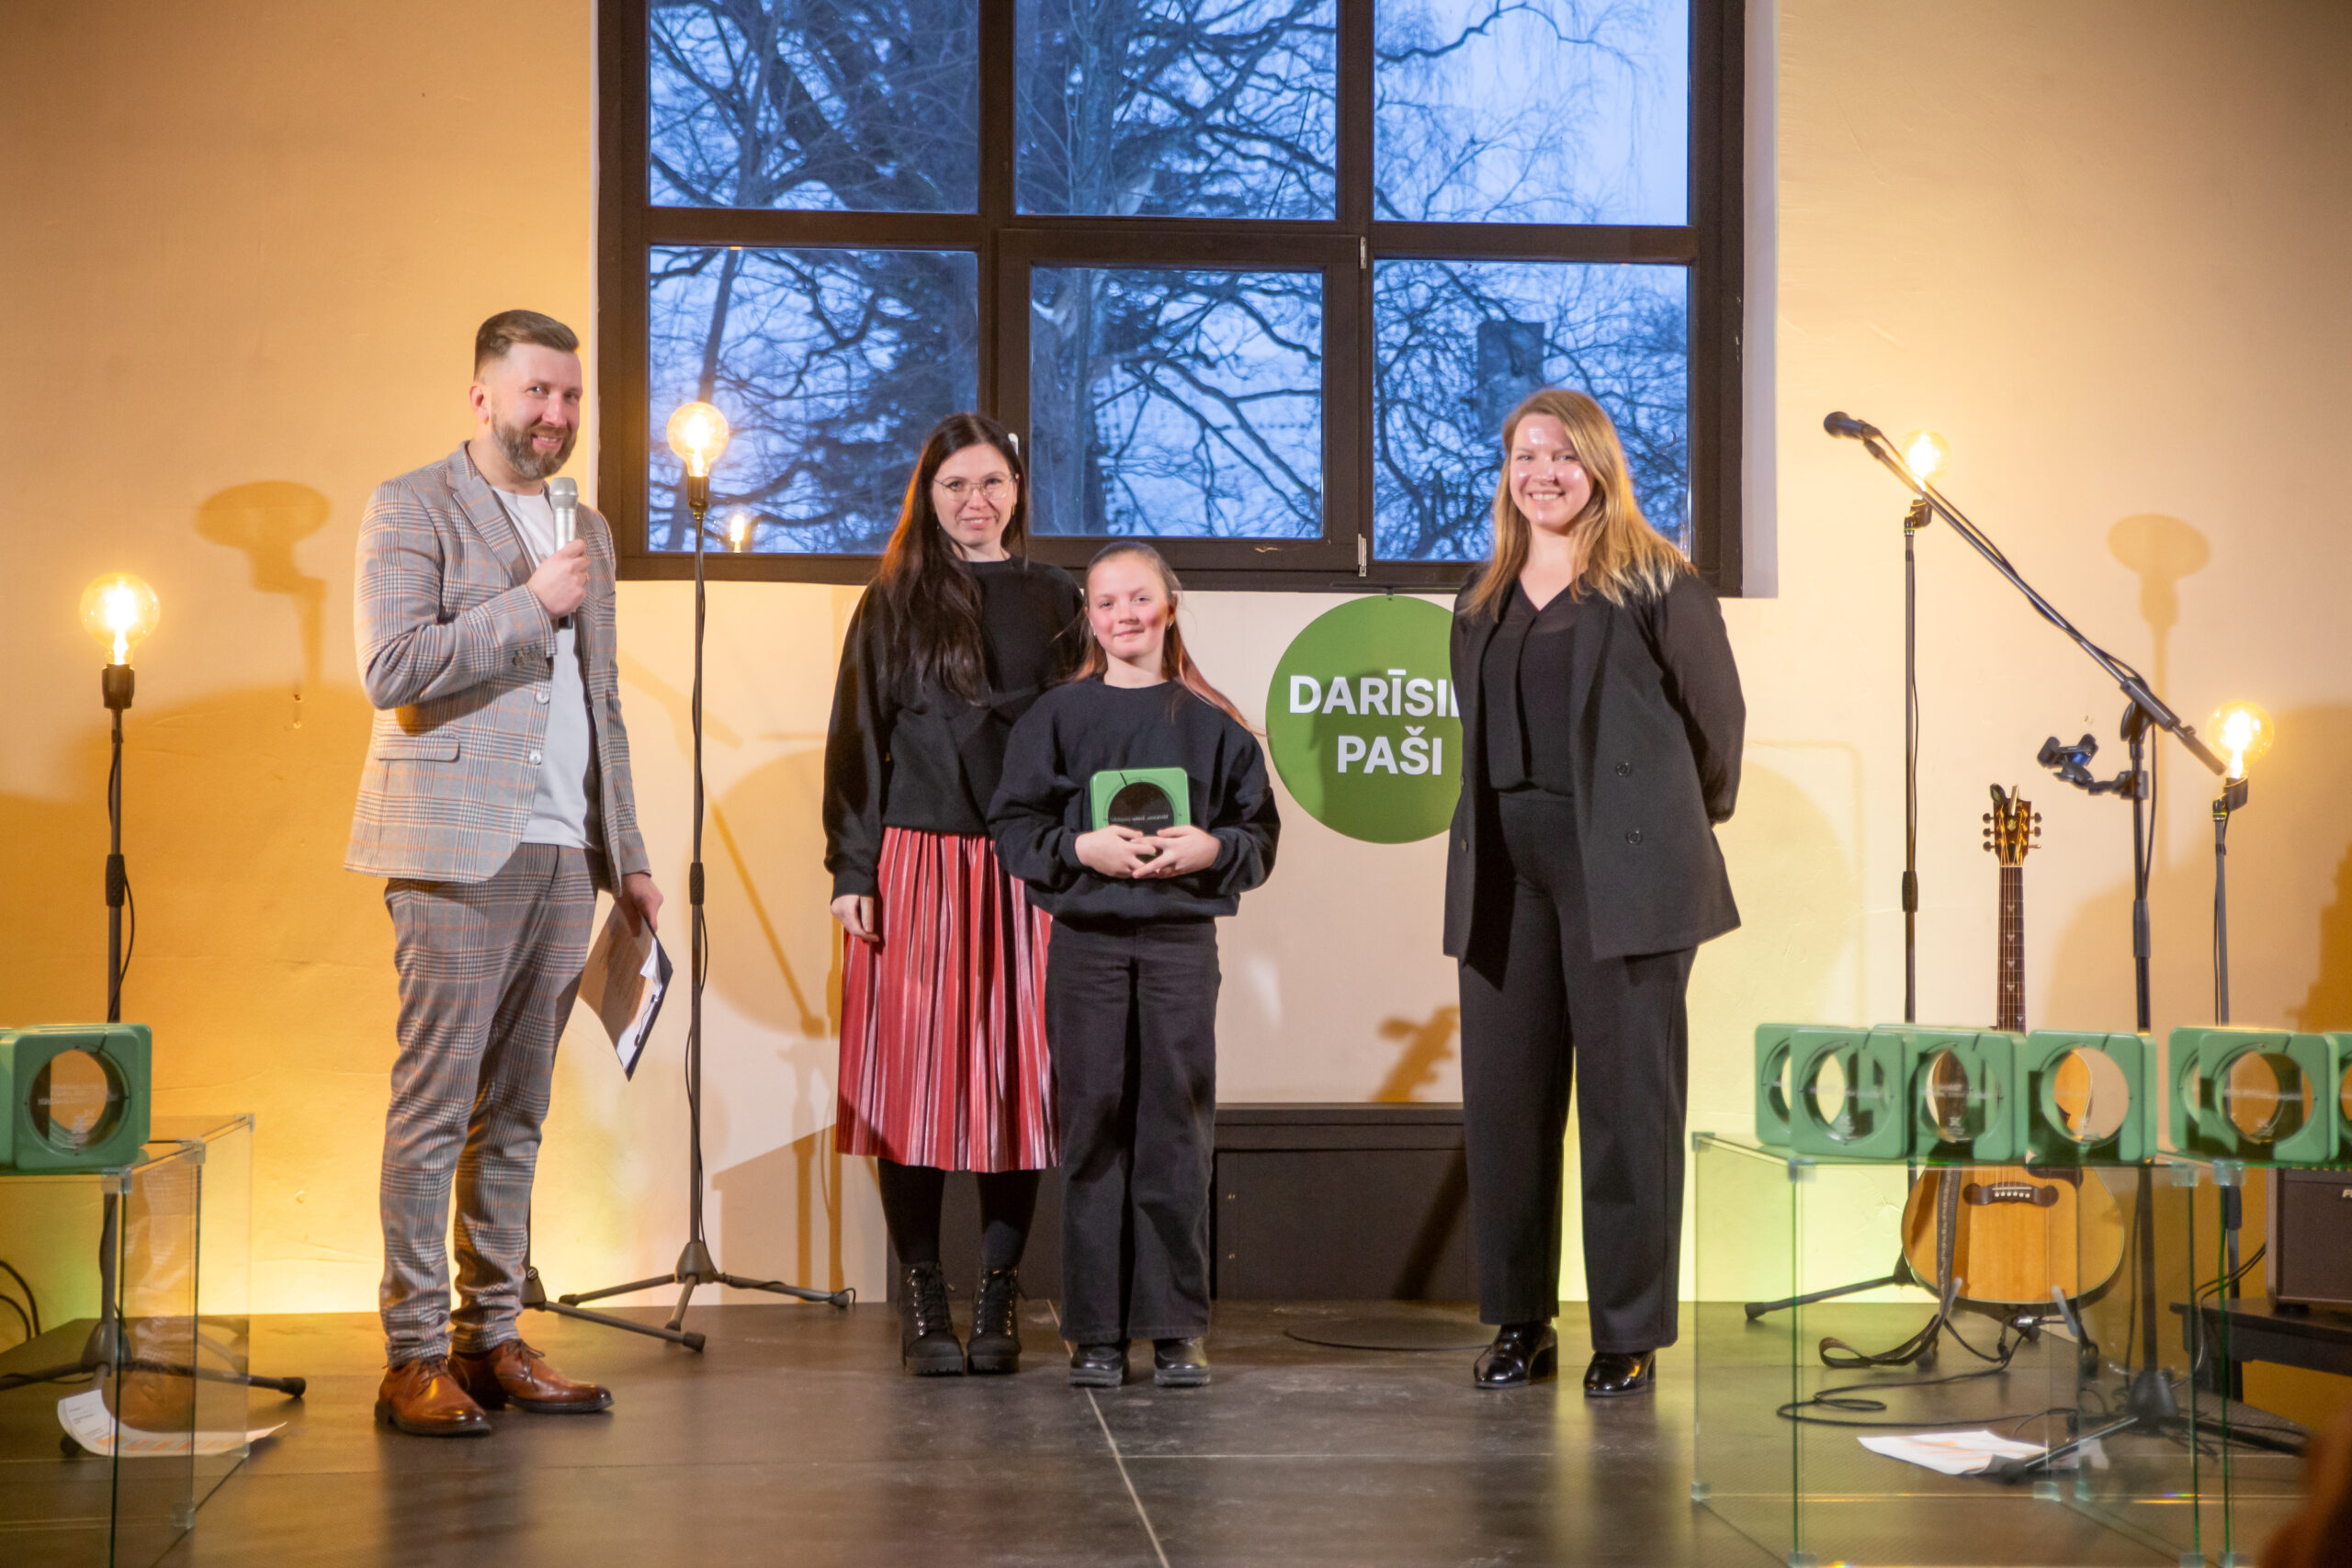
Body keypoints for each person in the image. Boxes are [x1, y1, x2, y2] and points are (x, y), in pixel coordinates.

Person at [347, 310, 662, 1436]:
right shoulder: (411, 505)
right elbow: (391, 667)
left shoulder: (591, 529)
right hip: (451, 849)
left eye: (570, 396)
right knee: (436, 1108)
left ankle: (489, 1340)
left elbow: (601, 701)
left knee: (518, 1111)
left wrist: (628, 853)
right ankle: (412, 1355)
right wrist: (530, 604)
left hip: (564, 854)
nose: (557, 415)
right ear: (482, 396)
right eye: (537, 392)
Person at [1444, 388, 1744, 1395]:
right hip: (1505, 871)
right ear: (1507, 473)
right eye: (1526, 457)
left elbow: (1717, 730)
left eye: (1564, 456)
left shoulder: (1657, 581)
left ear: (1600, 466)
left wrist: (1658, 826)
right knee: (1507, 1108)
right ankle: (1520, 1323)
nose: (1544, 474)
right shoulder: (1481, 595)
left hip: (1625, 870)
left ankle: (1626, 1332)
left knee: (1627, 1110)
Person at [823, 412, 1083, 1376]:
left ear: (1017, 491)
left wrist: (1074, 858)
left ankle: (1001, 1291)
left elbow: (1085, 737)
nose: (976, 500)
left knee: (1019, 1082)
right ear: (927, 497)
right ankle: (924, 1293)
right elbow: (855, 735)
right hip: (917, 864)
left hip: (1026, 866)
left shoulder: (1058, 597)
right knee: (913, 1083)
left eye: (992, 483)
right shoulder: (893, 599)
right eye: (955, 485)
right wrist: (852, 869)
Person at [989, 543, 1279, 1390]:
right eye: (1108, 601)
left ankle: (1176, 1327)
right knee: (1093, 1127)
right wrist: (1080, 847)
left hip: (1180, 947)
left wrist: (1212, 848)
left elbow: (1259, 838)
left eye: (1140, 598)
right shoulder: (1056, 718)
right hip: (1086, 945)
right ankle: (1096, 1331)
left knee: (1176, 1129)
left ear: (1170, 606)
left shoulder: (1216, 724)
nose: (1125, 615)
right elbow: (1014, 827)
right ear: (1089, 615)